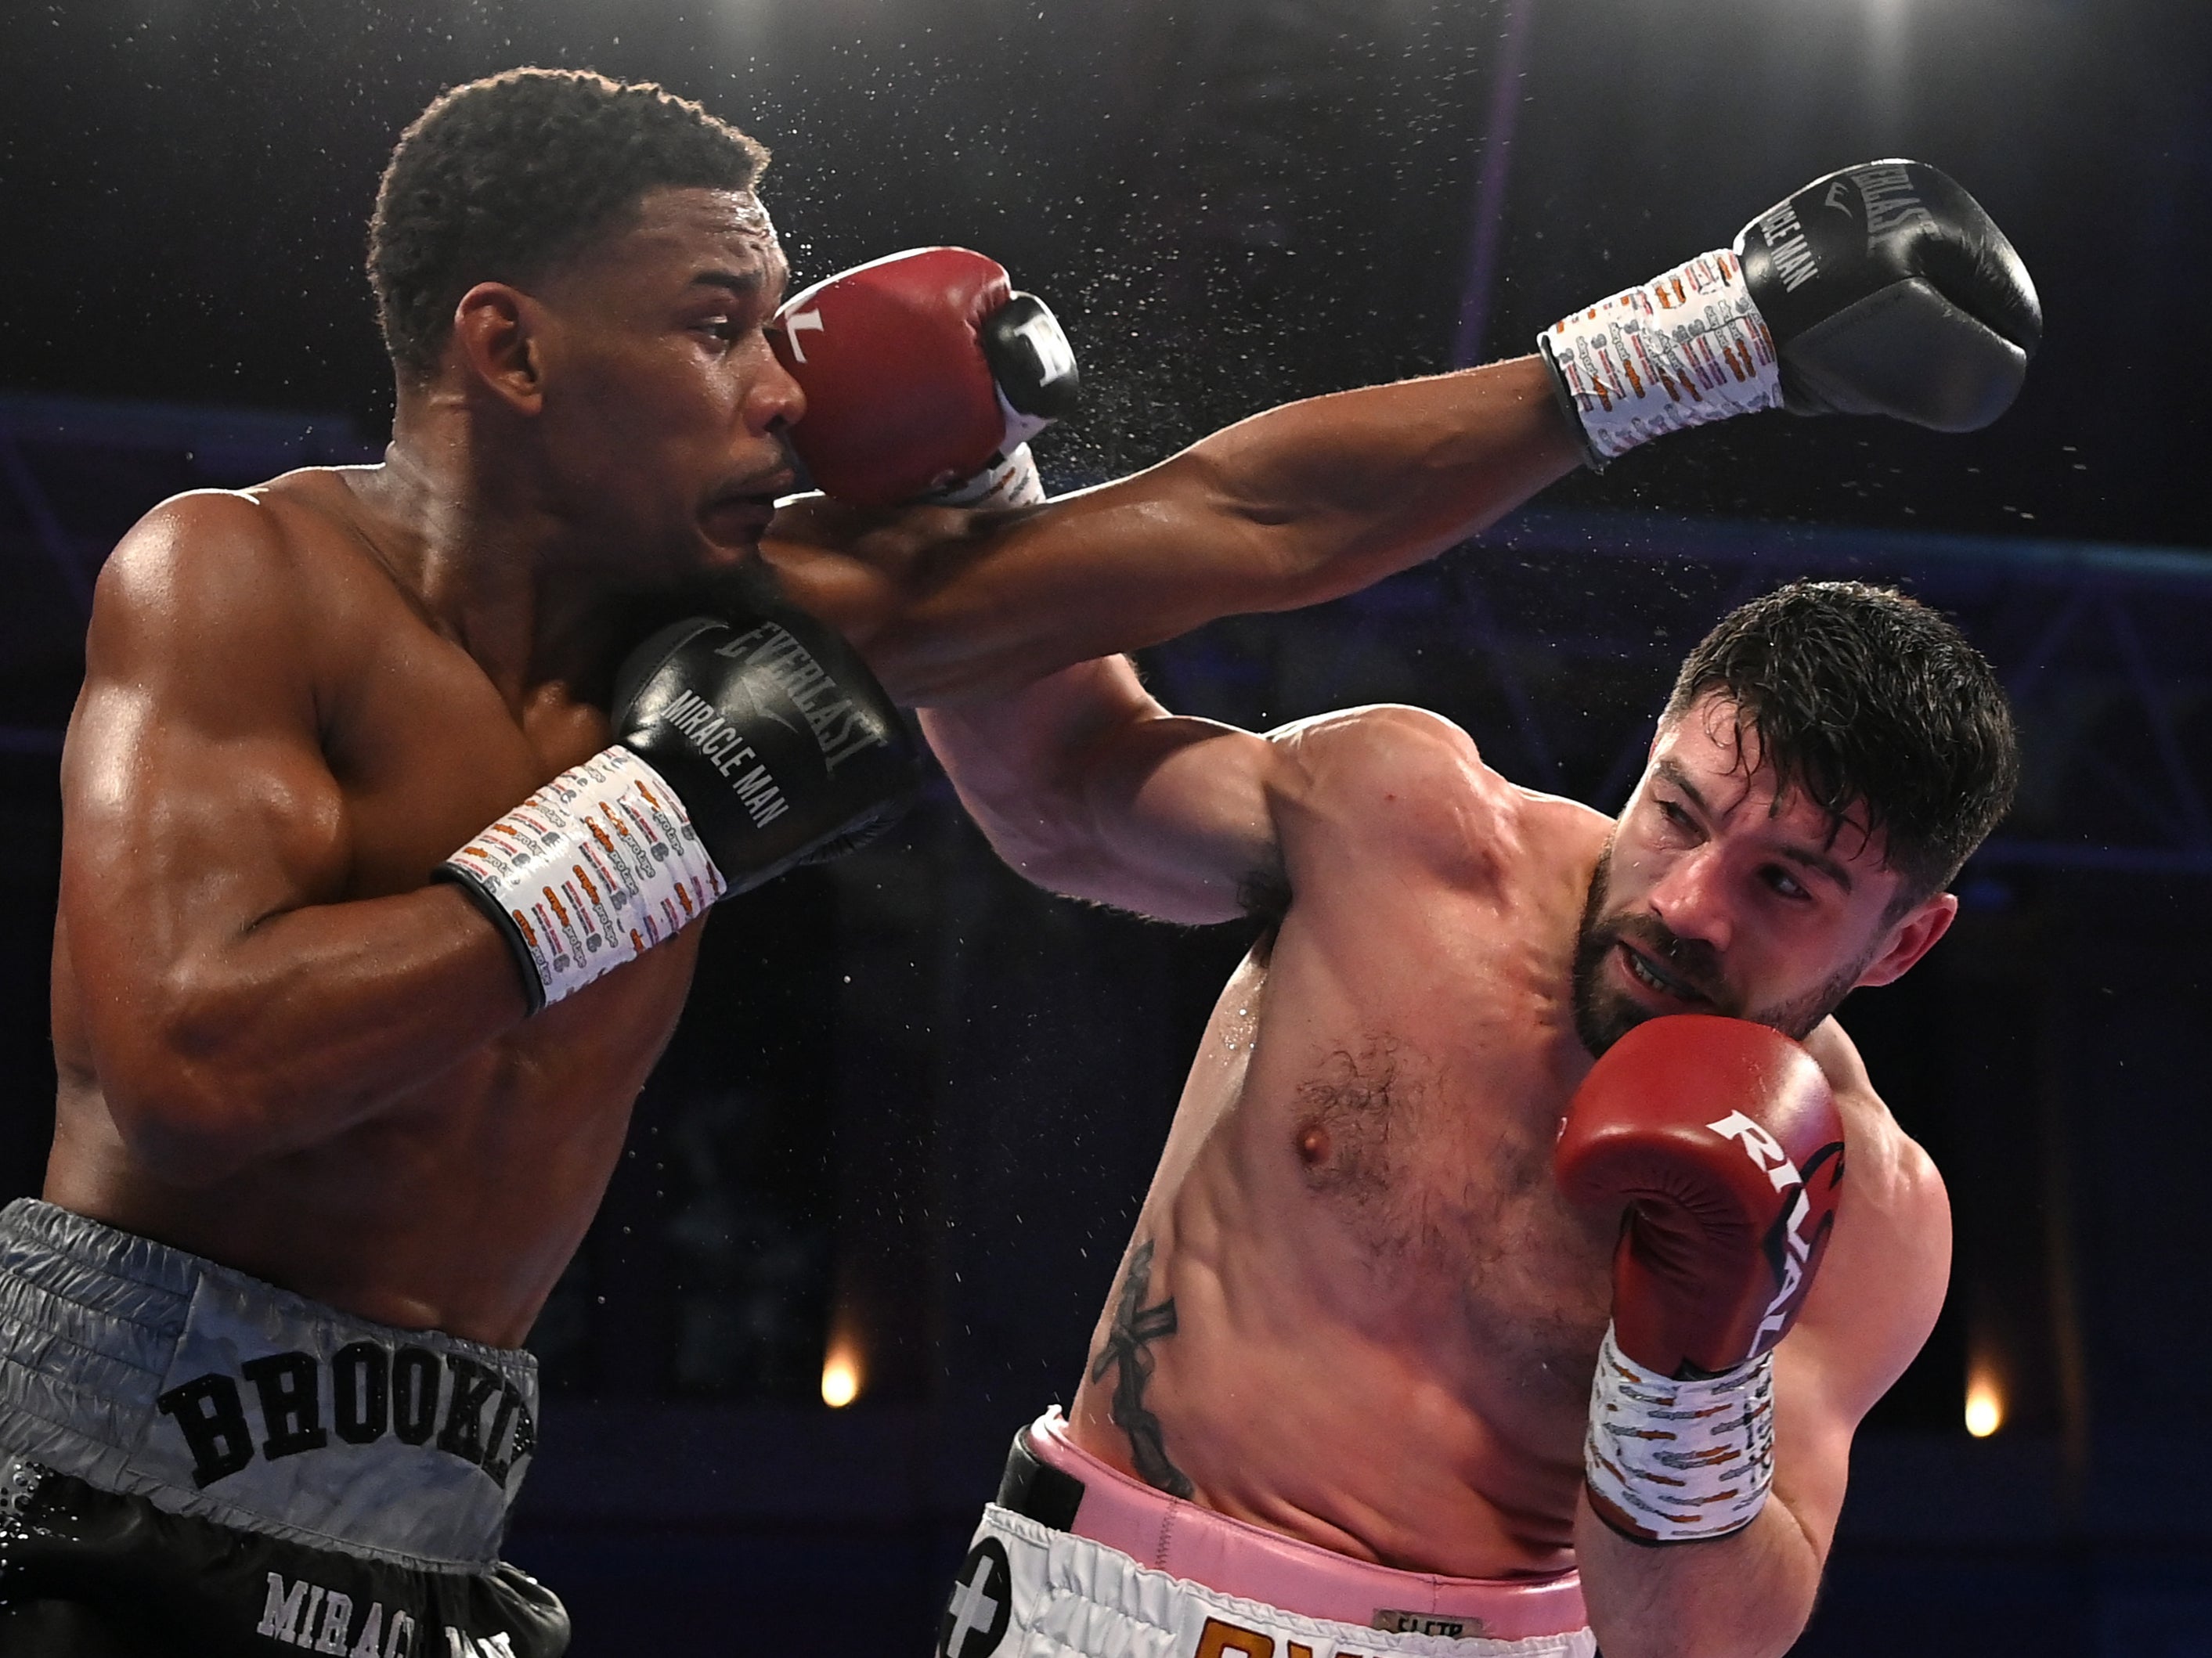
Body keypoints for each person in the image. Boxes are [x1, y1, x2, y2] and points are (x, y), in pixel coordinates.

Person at [0, 55, 2034, 1657]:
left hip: (428, 1538)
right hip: (96, 1503)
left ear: (1903, 931)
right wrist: (655, 825)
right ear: (512, 352)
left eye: (788, 323)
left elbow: (1237, 522)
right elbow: (187, 1065)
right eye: (724, 325)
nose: (792, 386)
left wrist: (1711, 334)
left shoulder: (773, 622)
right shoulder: (240, 573)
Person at [919, 578, 2018, 1658]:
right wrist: (953, 483)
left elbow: (1688, 1642)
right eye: (1676, 813)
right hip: (1113, 1600)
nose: (1685, 904)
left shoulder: (1862, 1208)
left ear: (1898, 943)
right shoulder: (1408, 836)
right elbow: (1060, 790)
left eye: (1782, 884)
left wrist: (1690, 1373)